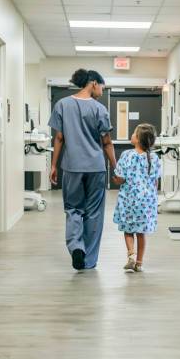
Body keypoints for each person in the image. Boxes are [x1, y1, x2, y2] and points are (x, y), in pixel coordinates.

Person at [48, 69, 117, 271]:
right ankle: (89, 260)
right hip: (96, 168)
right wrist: (115, 167)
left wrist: (53, 165)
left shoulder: (62, 105)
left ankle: (76, 246)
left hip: (71, 167)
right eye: (102, 86)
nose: (102, 91)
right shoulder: (99, 109)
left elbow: (59, 138)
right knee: (94, 213)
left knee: (73, 209)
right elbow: (107, 142)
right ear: (93, 83)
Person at [112, 124, 161, 272]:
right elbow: (155, 181)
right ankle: (139, 263)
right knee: (141, 232)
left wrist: (116, 180)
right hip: (145, 201)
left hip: (129, 199)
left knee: (128, 229)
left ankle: (131, 255)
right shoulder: (154, 157)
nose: (132, 135)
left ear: (138, 139)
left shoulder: (127, 155)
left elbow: (120, 178)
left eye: (134, 133)